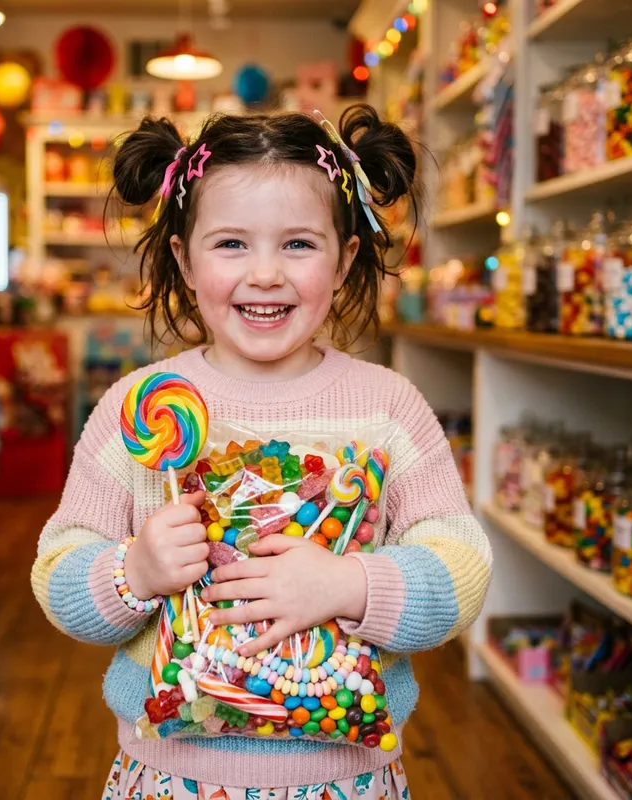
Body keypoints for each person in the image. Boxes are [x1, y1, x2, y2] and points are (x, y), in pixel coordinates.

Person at [31, 105, 492, 800]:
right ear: (184, 260)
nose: (267, 274)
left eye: (300, 244)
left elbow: (464, 563)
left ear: (346, 259)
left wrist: (350, 585)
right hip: (169, 774)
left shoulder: (388, 407)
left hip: (348, 777)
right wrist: (136, 571)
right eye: (232, 244)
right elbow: (59, 572)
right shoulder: (140, 407)